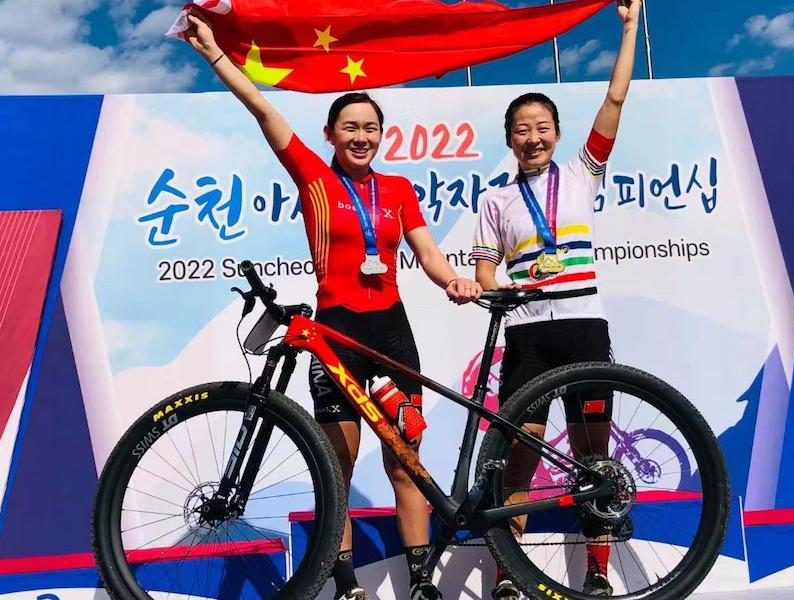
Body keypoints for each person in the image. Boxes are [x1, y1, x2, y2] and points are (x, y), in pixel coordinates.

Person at [185, 8, 481, 600]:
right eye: (350, 126)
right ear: (331, 135)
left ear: (381, 134)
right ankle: (348, 588)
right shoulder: (315, 179)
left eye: (370, 126)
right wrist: (216, 55)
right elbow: (265, 110)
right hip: (337, 330)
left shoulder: (397, 190)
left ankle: (421, 582)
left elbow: (427, 255)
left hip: (391, 333)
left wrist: (455, 282)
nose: (361, 136)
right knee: (337, 471)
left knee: (405, 463)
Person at [471, 0, 641, 597]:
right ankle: (509, 577)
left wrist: (629, 29)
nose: (533, 136)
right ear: (510, 141)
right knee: (517, 458)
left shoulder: (583, 172)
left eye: (542, 127)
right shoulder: (495, 203)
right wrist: (490, 288)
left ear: (558, 135)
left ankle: (598, 571)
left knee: (596, 461)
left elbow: (614, 102)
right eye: (522, 130)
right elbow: (488, 277)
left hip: (583, 328)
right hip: (527, 338)